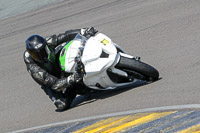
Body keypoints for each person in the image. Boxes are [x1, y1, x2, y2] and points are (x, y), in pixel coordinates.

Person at [23, 27, 98, 110]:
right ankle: (75, 88)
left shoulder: (48, 41)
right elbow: (55, 84)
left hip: (57, 62)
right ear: (31, 54)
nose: (41, 56)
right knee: (62, 104)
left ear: (45, 46)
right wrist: (72, 78)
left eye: (43, 51)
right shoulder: (34, 69)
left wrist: (83, 31)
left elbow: (65, 36)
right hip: (50, 79)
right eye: (36, 55)